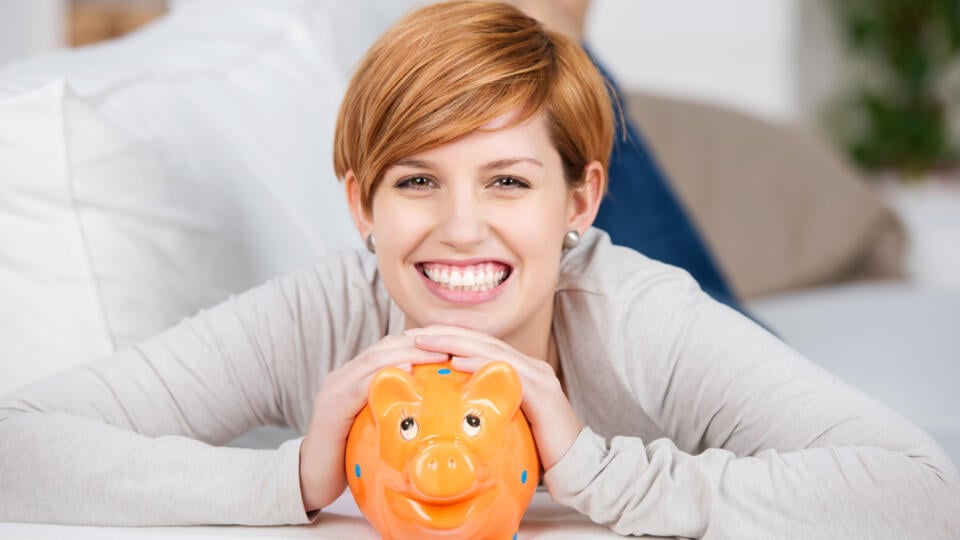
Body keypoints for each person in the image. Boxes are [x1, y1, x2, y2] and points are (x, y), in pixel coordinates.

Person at [1, 1, 958, 537]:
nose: (462, 229)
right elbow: (18, 443)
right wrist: (294, 478)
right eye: (417, 180)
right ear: (359, 205)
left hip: (672, 353)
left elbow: (918, 485)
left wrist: (597, 471)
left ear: (579, 203)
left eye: (507, 180)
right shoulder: (323, 314)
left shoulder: (642, 320)